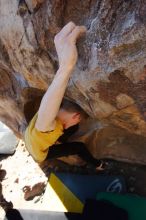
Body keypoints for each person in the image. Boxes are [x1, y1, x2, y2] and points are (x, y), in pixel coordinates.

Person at [24, 22, 103, 170]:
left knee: (71, 130)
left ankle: (61, 140)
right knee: (78, 146)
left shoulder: (53, 117)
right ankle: (98, 165)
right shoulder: (47, 127)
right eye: (77, 120)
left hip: (30, 138)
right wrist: (66, 66)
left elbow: (50, 104)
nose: (77, 123)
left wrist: (65, 65)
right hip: (40, 153)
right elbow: (45, 117)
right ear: (76, 116)